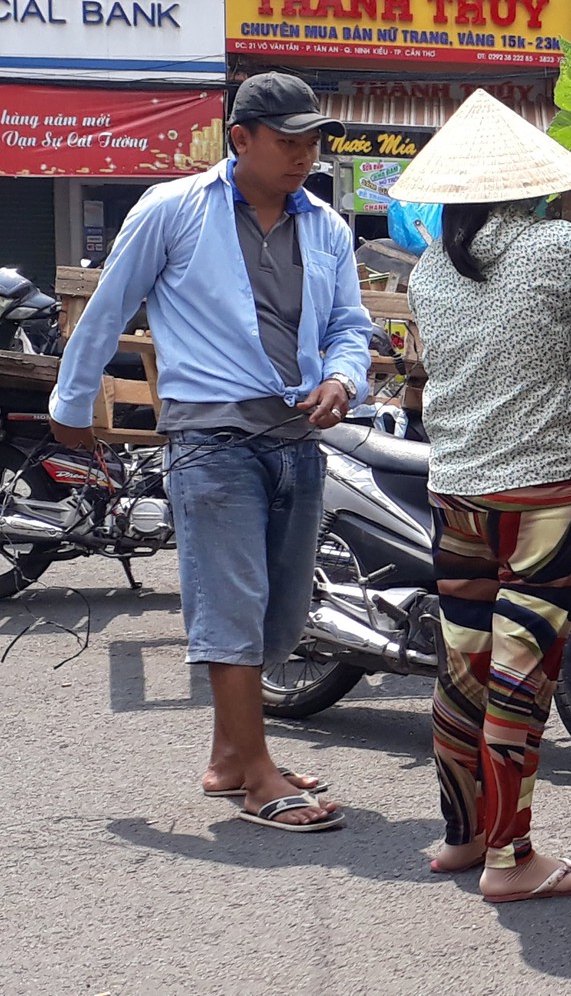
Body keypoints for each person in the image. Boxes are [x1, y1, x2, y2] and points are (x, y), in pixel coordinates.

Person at [48, 73, 367, 832]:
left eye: (311, 141)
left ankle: (230, 754)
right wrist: (70, 403)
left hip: (296, 436)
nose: (303, 155)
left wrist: (342, 378)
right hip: (210, 436)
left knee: (283, 612)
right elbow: (109, 304)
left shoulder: (324, 224)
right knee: (232, 600)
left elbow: (351, 324)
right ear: (241, 139)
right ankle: (257, 775)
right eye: (287, 141)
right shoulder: (172, 209)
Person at [393, 91, 571, 901]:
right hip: (541, 501)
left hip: (456, 494)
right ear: (531, 181)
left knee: (464, 664)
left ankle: (462, 835)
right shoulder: (555, 246)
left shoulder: (430, 270)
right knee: (522, 675)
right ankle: (511, 859)